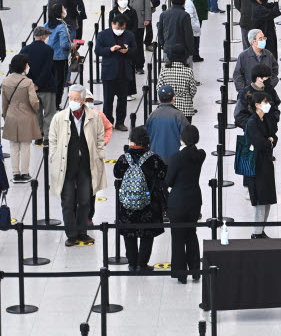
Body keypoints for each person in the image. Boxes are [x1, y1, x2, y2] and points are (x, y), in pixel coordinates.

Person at [49, 85, 107, 246]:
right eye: (71, 98)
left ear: (83, 101)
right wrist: (54, 157)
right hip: (65, 165)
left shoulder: (94, 117)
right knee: (67, 201)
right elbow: (52, 140)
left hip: (86, 165)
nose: (73, 102)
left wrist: (100, 155)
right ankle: (71, 234)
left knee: (84, 200)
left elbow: (100, 138)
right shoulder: (59, 117)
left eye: (76, 99)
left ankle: (82, 232)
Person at [114, 126, 166, 271]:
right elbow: (163, 173)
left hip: (128, 203)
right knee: (147, 234)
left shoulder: (124, 158)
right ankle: (142, 264)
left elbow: (116, 173)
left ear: (132, 141)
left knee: (129, 233)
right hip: (148, 203)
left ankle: (132, 263)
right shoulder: (153, 158)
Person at [165, 124, 205, 283]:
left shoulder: (176, 157)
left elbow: (168, 181)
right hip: (195, 199)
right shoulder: (201, 154)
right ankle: (196, 270)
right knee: (191, 234)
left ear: (182, 139)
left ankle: (181, 274)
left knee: (178, 237)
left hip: (178, 201)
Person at [95, 16, 141, 131]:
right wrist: (110, 50)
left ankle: (120, 122)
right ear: (112, 24)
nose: (120, 30)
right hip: (109, 74)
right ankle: (108, 123)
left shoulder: (129, 35)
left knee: (122, 100)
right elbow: (97, 50)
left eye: (122, 28)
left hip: (124, 73)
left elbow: (135, 51)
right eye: (118, 27)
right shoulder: (103, 35)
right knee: (108, 101)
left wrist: (127, 51)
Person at [2, 55, 41, 183]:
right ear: (24, 66)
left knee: (13, 146)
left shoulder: (6, 81)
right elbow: (33, 101)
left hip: (11, 115)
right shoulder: (27, 82)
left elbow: (4, 103)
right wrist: (35, 110)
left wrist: (5, 115)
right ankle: (25, 173)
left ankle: (15, 173)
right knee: (25, 146)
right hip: (26, 116)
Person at [245, 91, 278, 238]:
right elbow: (260, 143)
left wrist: (270, 141)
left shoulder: (265, 119)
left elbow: (274, 136)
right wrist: (269, 141)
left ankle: (261, 230)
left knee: (267, 199)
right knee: (259, 200)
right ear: (257, 105)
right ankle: (256, 233)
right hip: (256, 166)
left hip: (266, 164)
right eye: (265, 102)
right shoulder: (252, 122)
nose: (268, 105)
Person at [21, 25, 58, 140]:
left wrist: (32, 83)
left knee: (36, 113)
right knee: (49, 113)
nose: (47, 37)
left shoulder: (25, 50)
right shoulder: (49, 50)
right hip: (47, 86)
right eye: (46, 35)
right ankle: (47, 137)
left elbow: (24, 69)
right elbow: (47, 69)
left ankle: (37, 137)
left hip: (31, 87)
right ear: (42, 36)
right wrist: (39, 83)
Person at [145, 85, 190, 161]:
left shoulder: (152, 115)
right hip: (174, 159)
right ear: (173, 99)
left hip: (155, 159)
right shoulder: (179, 115)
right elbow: (189, 136)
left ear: (159, 100)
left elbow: (146, 135)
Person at [159, 46, 197, 122]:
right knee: (185, 132)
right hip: (186, 108)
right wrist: (186, 97)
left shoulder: (164, 70)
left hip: (168, 108)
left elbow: (159, 88)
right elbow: (193, 90)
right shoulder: (188, 71)